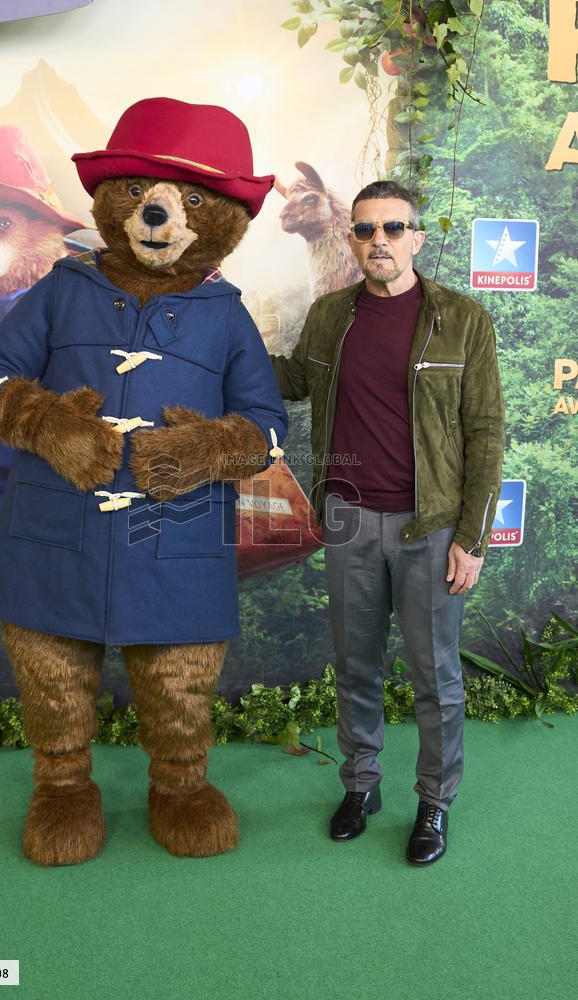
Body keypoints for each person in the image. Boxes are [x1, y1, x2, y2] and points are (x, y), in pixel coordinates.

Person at [269, 180, 505, 866]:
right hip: (347, 519)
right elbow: (292, 380)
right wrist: (215, 342)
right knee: (356, 664)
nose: (380, 241)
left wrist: (473, 535)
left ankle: (433, 801)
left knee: (435, 674)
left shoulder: (462, 320)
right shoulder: (330, 316)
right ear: (353, 238)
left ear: (417, 238)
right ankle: (361, 785)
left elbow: (486, 432)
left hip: (429, 525)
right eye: (368, 230)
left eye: (394, 229)